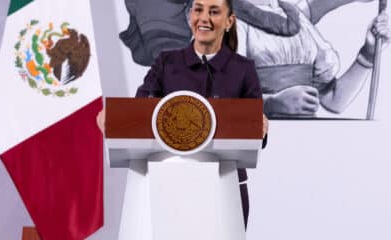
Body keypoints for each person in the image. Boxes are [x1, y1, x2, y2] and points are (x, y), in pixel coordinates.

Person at [99, 0, 268, 228]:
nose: (204, 18)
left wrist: (262, 127)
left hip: (226, 188)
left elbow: (255, 133)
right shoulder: (166, 63)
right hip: (168, 188)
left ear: (229, 21)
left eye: (214, 11)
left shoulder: (243, 69)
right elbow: (139, 111)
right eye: (198, 9)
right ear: (190, 16)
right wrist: (115, 120)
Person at [237, 0, 391, 118]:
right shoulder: (229, 23)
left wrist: (368, 52)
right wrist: (270, 104)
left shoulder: (296, 17)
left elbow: (334, 101)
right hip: (264, 142)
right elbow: (221, 106)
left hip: (310, 141)